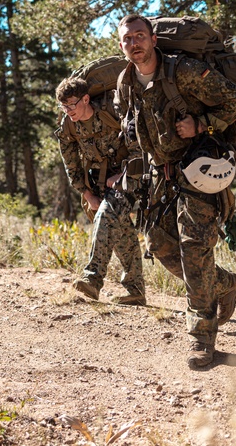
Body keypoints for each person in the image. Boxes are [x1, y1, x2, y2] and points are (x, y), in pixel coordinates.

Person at [113, 14, 236, 368]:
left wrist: (201, 124)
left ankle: (201, 337)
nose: (134, 44)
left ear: (154, 39)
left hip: (199, 166)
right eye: (127, 39)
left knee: (194, 247)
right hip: (161, 175)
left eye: (140, 36)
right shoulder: (125, 81)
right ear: (121, 45)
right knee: (159, 246)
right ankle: (226, 285)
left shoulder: (183, 71)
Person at [56, 76, 147, 306]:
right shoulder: (68, 125)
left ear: (86, 99)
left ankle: (92, 279)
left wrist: (122, 176)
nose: (68, 111)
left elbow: (139, 148)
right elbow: (71, 164)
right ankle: (135, 291)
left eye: (72, 105)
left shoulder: (112, 112)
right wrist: (87, 194)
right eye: (63, 106)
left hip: (129, 177)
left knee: (108, 216)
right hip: (98, 182)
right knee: (122, 231)